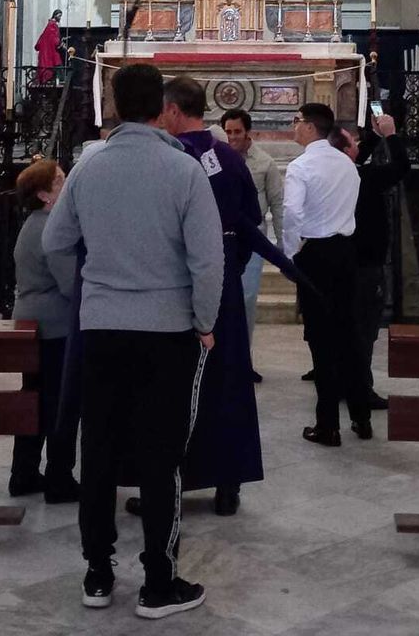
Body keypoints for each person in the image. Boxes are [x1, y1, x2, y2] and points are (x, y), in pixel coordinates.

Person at [42, 64, 223, 620]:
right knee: (161, 456)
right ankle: (159, 583)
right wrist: (204, 321)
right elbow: (207, 259)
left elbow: (55, 241)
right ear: (160, 106)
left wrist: (89, 291)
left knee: (96, 451)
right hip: (167, 330)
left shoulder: (89, 167)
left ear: (115, 105)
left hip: (100, 327)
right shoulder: (183, 169)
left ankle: (98, 575)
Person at [154, 79, 304, 517]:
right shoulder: (226, 156)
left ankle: (167, 484)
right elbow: (250, 218)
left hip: (177, 288)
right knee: (228, 382)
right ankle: (228, 483)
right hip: (223, 286)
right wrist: (233, 265)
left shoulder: (168, 157)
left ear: (174, 111)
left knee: (173, 387)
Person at [282, 103, 367, 446]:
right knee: (348, 335)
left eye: (296, 121)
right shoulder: (347, 164)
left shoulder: (301, 166)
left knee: (321, 342)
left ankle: (328, 424)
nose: (293, 126)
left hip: (315, 255)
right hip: (346, 253)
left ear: (310, 127)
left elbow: (291, 211)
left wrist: (289, 255)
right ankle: (361, 417)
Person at [8, 159, 80, 504]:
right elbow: (70, 284)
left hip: (32, 322)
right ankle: (59, 479)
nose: (67, 185)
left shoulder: (34, 223)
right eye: (60, 180)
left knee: (33, 401)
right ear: (44, 195)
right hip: (54, 326)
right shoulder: (52, 228)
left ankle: (23, 473)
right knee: (59, 405)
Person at [331, 115, 409, 410]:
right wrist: (391, 135)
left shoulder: (337, 174)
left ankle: (340, 381)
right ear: (346, 151)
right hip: (366, 265)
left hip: (341, 261)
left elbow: (357, 158)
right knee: (363, 331)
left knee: (345, 327)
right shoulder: (365, 178)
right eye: (354, 143)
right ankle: (360, 389)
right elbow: (400, 167)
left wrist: (374, 138)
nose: (358, 145)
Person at [220, 108, 282, 383]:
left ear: (249, 133)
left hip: (251, 238)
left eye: (237, 132)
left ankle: (242, 359)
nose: (232, 137)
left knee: (246, 299)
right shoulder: (215, 158)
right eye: (228, 132)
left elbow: (277, 203)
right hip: (220, 238)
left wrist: (283, 242)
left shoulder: (264, 163)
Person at [35, 10, 65, 85]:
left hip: (46, 52)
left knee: (47, 68)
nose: (60, 18)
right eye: (59, 16)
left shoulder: (49, 25)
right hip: (51, 52)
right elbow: (54, 38)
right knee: (56, 66)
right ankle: (58, 82)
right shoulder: (52, 25)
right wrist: (60, 44)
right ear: (55, 15)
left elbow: (41, 40)